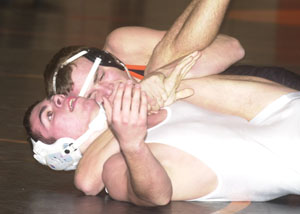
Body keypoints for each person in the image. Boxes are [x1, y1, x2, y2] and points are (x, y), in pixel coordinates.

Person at [24, 70, 300, 206]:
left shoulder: (156, 99)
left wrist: (156, 79)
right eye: (48, 114)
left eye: (54, 97)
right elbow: (154, 195)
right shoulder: (118, 164)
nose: (58, 98)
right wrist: (132, 144)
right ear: (63, 151)